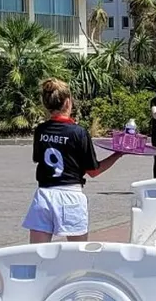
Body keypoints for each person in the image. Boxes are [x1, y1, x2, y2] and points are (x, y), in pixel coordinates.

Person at [24, 79, 123, 243]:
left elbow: (38, 158)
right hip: (70, 194)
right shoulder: (78, 132)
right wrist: (117, 154)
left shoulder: (41, 130)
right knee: (79, 255)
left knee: (37, 254)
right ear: (68, 102)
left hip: (44, 194)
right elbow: (94, 171)